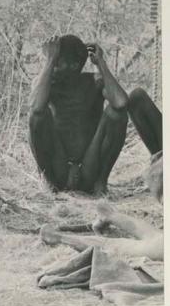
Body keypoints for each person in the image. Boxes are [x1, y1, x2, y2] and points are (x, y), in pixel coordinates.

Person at [29, 35, 129, 195]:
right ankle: (49, 183)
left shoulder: (94, 82)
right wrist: (50, 60)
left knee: (117, 115)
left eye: (56, 63)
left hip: (90, 165)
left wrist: (101, 64)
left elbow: (121, 103)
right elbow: (35, 108)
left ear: (74, 65)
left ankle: (100, 183)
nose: (52, 67)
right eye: (51, 62)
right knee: (37, 117)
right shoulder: (47, 84)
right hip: (59, 166)